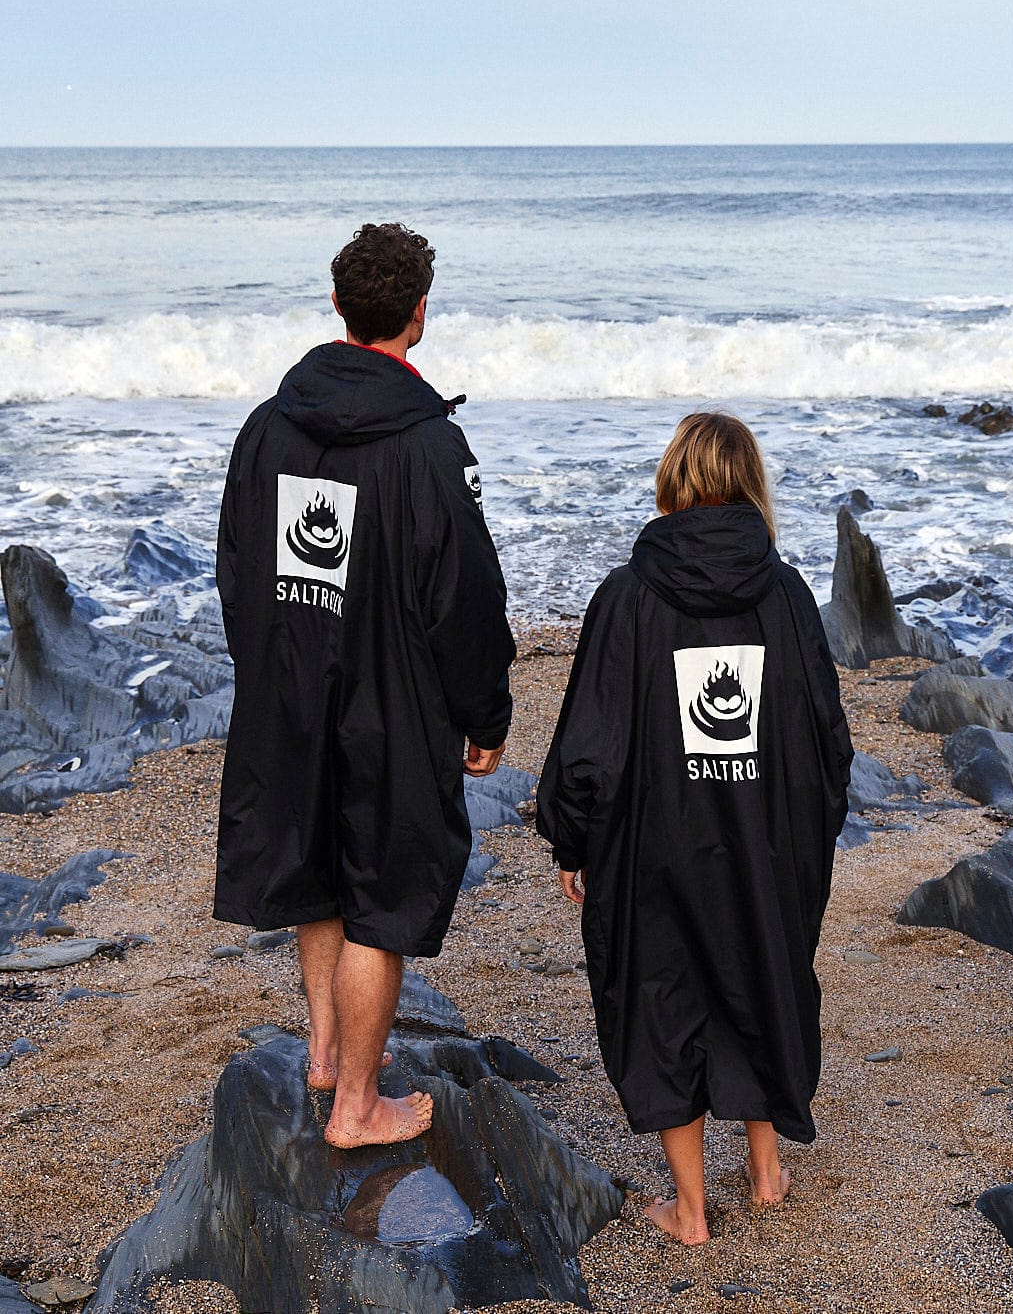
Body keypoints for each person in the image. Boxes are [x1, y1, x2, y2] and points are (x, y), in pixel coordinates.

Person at [214, 223, 515, 1148]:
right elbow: (463, 596)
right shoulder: (427, 445)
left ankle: (324, 1051)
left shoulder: (269, 424)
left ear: (340, 305)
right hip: (391, 704)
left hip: (291, 691)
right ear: (418, 314)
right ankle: (354, 1104)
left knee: (315, 875)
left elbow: (233, 565)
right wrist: (484, 712)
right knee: (380, 899)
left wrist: (266, 665)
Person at [537, 411, 852, 1243]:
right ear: (749, 483)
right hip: (765, 845)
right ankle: (767, 1170)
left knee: (661, 998)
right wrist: (808, 838)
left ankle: (689, 1209)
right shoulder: (784, 594)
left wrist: (573, 840)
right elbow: (828, 738)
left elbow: (589, 747)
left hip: (653, 850)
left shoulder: (627, 598)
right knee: (761, 976)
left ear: (673, 480)